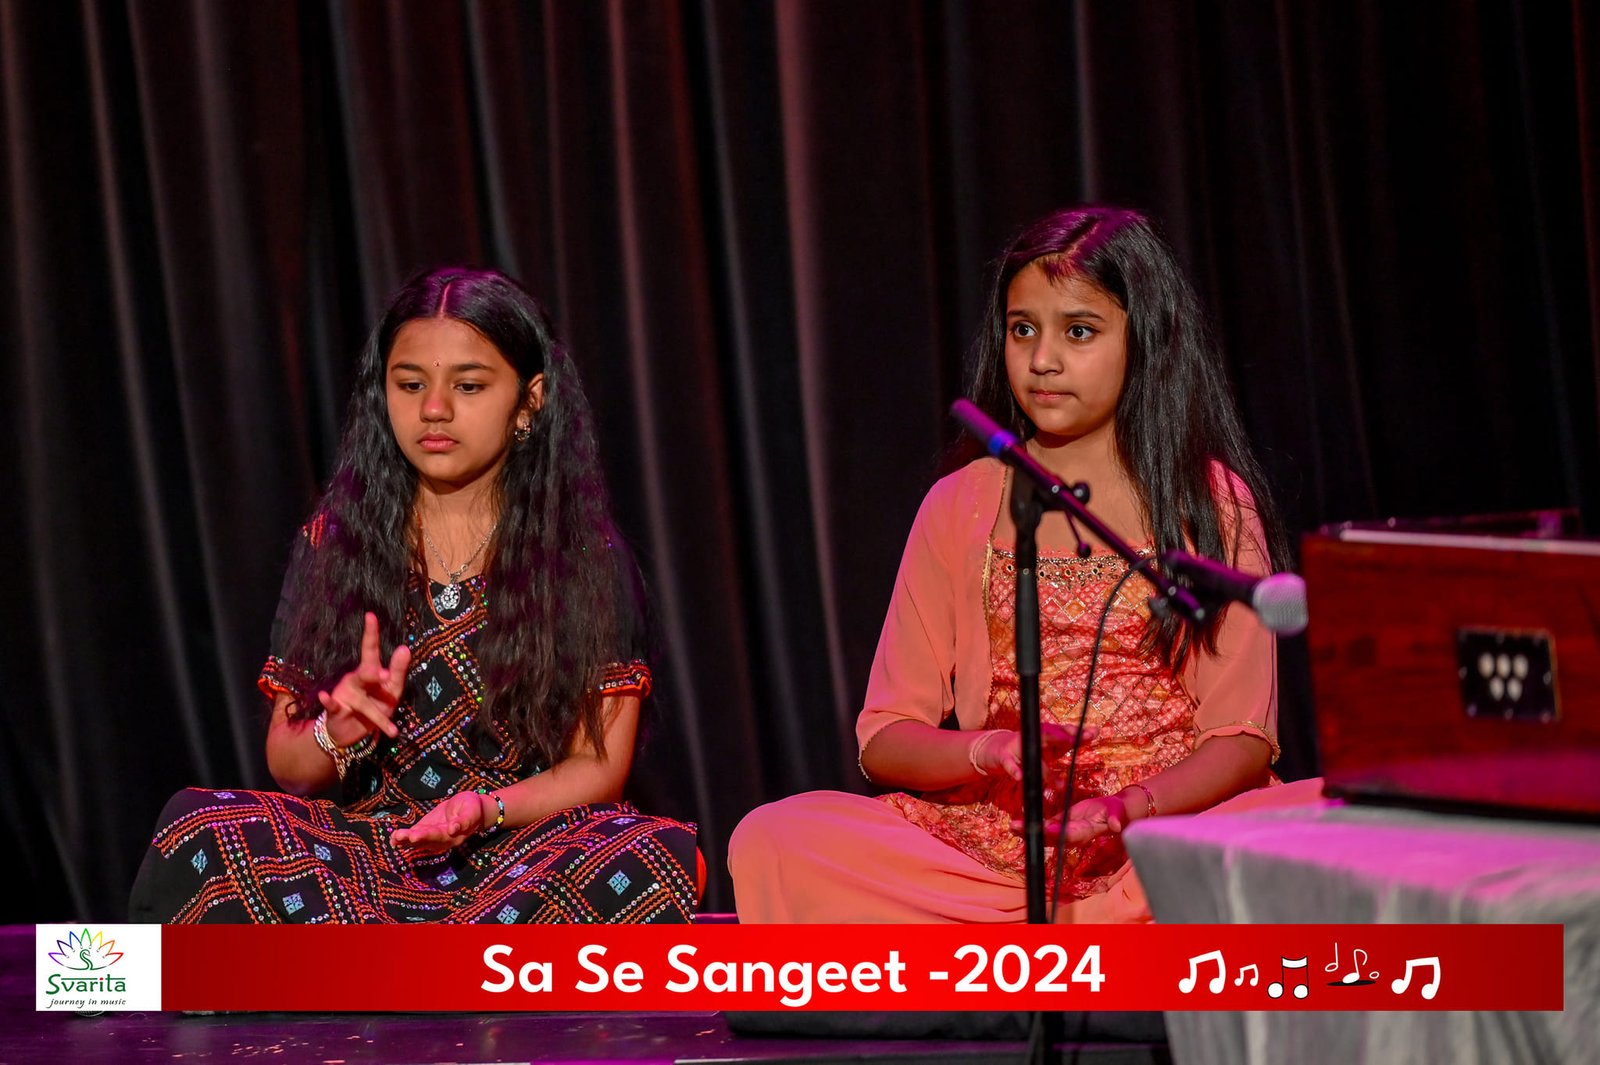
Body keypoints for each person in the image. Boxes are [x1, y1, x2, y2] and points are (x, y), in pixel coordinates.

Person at [730, 205, 1302, 924]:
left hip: (1162, 840)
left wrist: (1129, 808)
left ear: (1146, 340)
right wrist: (987, 750)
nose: (1042, 360)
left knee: (1330, 831)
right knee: (776, 838)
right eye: (1023, 329)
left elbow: (1241, 740)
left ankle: (1081, 934)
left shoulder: (1209, 501)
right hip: (994, 851)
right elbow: (885, 738)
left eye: (1079, 331)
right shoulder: (961, 503)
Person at [129, 267, 698, 923]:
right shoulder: (333, 544)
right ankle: (424, 960)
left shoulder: (585, 558)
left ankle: (393, 960)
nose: (434, 409)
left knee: (653, 851)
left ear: (530, 401)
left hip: (519, 852)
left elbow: (597, 766)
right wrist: (336, 731)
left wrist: (484, 809)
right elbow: (288, 764)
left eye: (468, 385)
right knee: (197, 822)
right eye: (410, 384)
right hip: (364, 853)